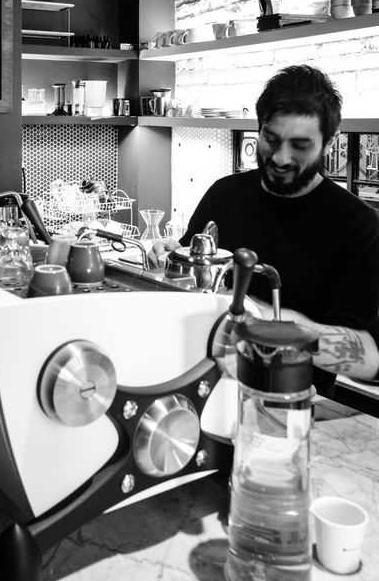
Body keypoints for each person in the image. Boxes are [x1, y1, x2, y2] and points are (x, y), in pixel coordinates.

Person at [157, 65, 379, 388]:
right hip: (199, 381)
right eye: (270, 139)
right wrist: (167, 264)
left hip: (286, 403)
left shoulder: (357, 225)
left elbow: (369, 357)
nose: (280, 158)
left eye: (300, 146)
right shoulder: (225, 195)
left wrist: (261, 320)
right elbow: (190, 285)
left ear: (330, 142)